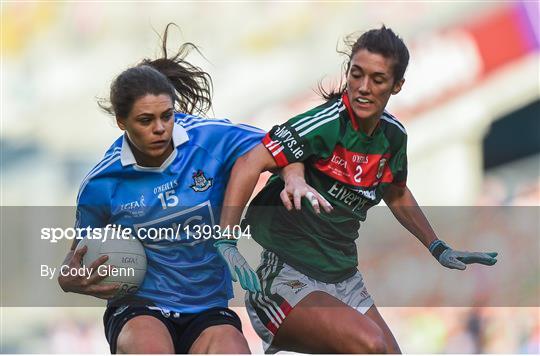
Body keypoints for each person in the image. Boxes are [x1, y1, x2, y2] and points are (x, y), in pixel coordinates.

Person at [217, 26, 498, 354]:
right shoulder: (325, 123)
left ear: (397, 85)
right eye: (356, 74)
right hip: (286, 277)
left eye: (377, 79)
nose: (363, 88)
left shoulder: (393, 137)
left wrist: (436, 246)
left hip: (345, 280)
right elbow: (249, 162)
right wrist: (226, 239)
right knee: (370, 343)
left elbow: (396, 192)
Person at [57, 24, 274, 354]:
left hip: (207, 308)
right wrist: (68, 280)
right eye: (146, 120)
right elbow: (77, 258)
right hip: (138, 308)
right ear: (121, 121)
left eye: (167, 116)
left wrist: (297, 177)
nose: (160, 128)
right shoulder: (101, 183)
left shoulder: (211, 139)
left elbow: (285, 146)